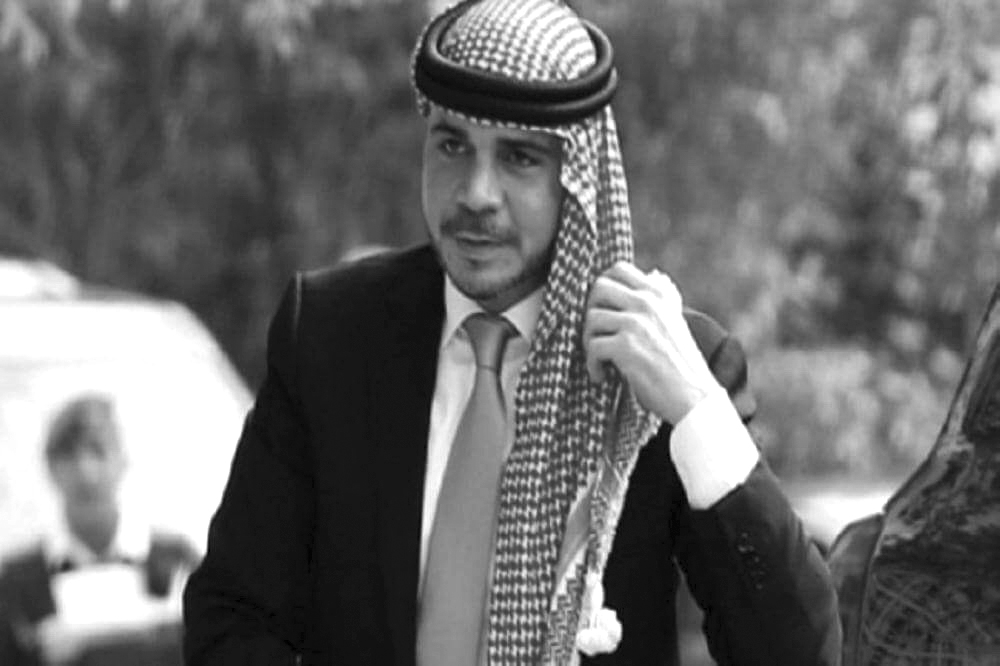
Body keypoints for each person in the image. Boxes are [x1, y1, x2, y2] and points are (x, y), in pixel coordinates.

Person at [183, 1, 841, 664]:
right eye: (452, 145)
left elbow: (799, 653)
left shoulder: (661, 373)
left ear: (578, 179)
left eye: (520, 158)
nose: (476, 194)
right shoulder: (332, 334)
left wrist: (696, 410)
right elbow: (232, 619)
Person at [0, 394, 200, 665]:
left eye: (99, 451)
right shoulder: (18, 581)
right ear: (50, 468)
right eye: (69, 455)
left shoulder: (178, 561)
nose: (86, 472)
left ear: (123, 460)